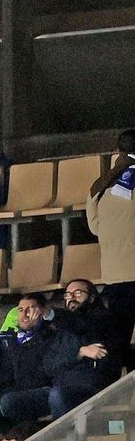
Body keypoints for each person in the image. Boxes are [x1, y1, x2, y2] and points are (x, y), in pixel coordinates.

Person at [0, 292, 103, 420]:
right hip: (45, 390)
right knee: (8, 401)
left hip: (70, 388)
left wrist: (48, 314)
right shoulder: (14, 341)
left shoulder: (52, 331)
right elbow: (8, 373)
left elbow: (71, 323)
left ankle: (60, 438)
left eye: (30, 309)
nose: (25, 314)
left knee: (56, 394)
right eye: (20, 310)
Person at [88, 130, 135, 325]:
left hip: (113, 274)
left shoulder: (98, 186)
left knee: (119, 338)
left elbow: (95, 228)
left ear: (118, 151)